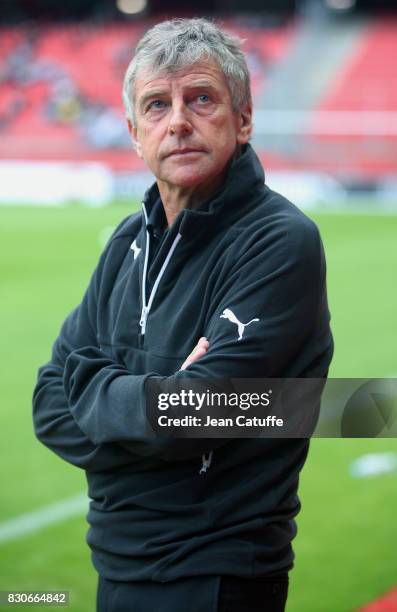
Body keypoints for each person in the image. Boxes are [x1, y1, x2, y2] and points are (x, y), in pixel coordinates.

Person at [33, 18, 333, 612]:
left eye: (201, 99)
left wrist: (96, 386)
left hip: (218, 579)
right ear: (134, 132)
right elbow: (47, 405)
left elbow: (194, 416)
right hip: (115, 570)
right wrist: (161, 402)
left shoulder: (280, 242)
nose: (177, 122)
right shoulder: (126, 242)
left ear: (243, 118)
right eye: (156, 105)